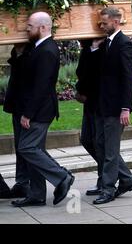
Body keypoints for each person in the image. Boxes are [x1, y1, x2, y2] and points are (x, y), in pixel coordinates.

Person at [12, 12, 74, 207]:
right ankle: (37, 194)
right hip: (35, 108)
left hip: (39, 110)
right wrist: (20, 52)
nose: (26, 29)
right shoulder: (37, 47)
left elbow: (42, 86)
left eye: (29, 26)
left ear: (43, 27)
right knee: (34, 149)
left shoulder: (47, 50)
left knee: (27, 148)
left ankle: (62, 176)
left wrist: (28, 113)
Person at [91, 7, 132, 205]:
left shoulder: (124, 43)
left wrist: (126, 108)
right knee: (100, 145)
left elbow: (129, 78)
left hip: (116, 107)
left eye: (104, 23)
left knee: (110, 151)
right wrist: (94, 47)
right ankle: (126, 179)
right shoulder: (106, 44)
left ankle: (108, 189)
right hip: (104, 105)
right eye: (100, 23)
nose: (101, 26)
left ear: (116, 22)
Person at [3, 43, 33, 198]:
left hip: (27, 108)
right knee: (20, 146)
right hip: (18, 106)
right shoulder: (19, 54)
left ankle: (60, 176)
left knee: (27, 147)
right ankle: (22, 182)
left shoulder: (33, 53)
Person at [75, 39, 102, 196]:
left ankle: (114, 177)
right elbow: (82, 72)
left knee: (102, 145)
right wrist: (80, 91)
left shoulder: (104, 48)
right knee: (87, 139)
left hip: (100, 103)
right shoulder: (87, 49)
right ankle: (121, 177)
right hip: (89, 102)